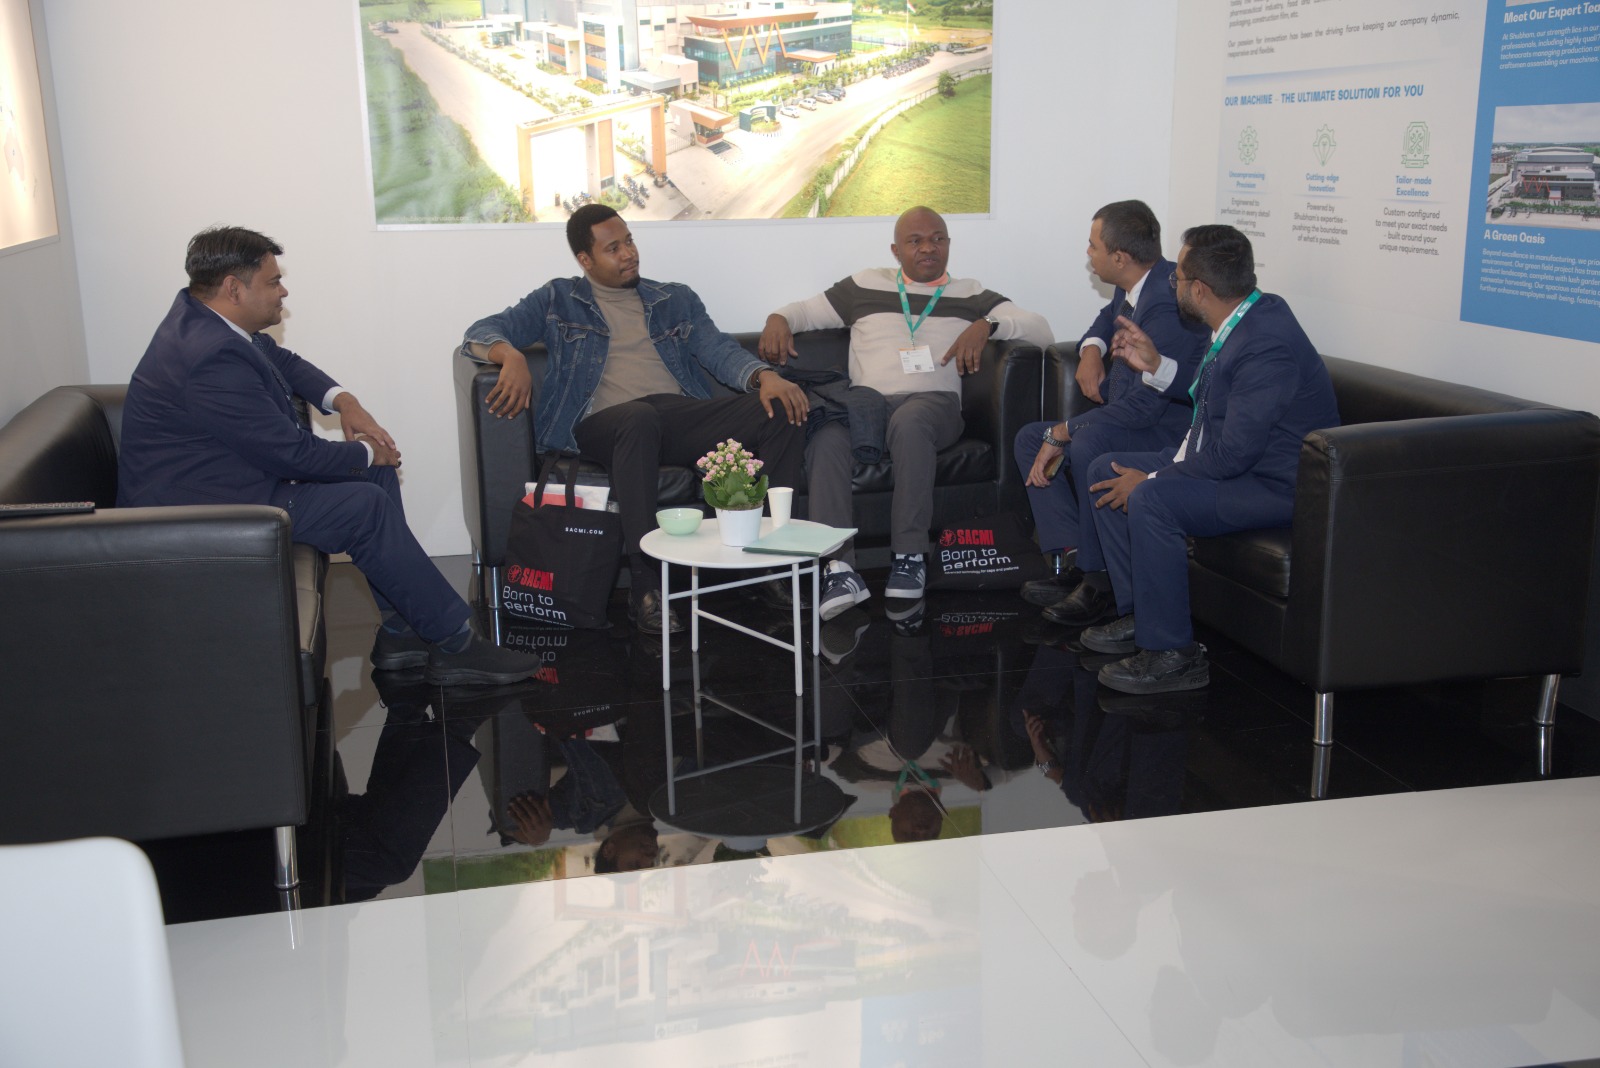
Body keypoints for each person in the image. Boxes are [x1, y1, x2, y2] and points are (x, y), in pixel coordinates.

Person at [119, 226, 542, 686]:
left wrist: (345, 401)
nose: (283, 291)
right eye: (273, 282)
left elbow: (281, 361)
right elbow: (293, 455)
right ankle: (455, 644)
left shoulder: (206, 320)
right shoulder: (210, 356)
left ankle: (400, 632)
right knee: (364, 504)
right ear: (233, 288)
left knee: (374, 480)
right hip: (202, 511)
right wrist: (368, 452)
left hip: (223, 481)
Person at [463, 204, 810, 635]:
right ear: (585, 260)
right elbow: (480, 331)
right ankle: (647, 587)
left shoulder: (675, 299)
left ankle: (770, 563)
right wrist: (510, 355)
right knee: (639, 417)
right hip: (603, 427)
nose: (628, 253)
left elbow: (718, 350)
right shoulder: (558, 299)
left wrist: (764, 377)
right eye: (613, 248)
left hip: (675, 419)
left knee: (780, 406)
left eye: (629, 241)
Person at [760, 205, 1053, 620]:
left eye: (937, 239)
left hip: (933, 405)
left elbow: (1041, 330)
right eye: (915, 241)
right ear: (896, 251)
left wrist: (988, 324)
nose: (928, 248)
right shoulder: (865, 285)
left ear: (948, 244)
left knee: (910, 421)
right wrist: (778, 318)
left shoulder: (970, 293)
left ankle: (909, 557)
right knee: (826, 438)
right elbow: (805, 312)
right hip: (866, 407)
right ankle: (839, 569)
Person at [1081, 224, 1340, 693]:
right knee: (1106, 469)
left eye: (1177, 277)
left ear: (1199, 289)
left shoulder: (1266, 344)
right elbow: (1212, 399)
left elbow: (1235, 454)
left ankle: (1174, 656)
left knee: (1151, 499)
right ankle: (1143, 616)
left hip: (1273, 485)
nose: (1172, 284)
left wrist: (1154, 477)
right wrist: (1156, 366)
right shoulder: (1243, 316)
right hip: (1225, 458)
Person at [1013, 201, 1209, 623]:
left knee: (1089, 440)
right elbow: (1107, 318)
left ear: (1119, 257)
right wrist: (1091, 350)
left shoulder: (1169, 306)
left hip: (1166, 427)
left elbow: (1144, 408)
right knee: (1030, 438)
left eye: (1093, 246)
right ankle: (1072, 559)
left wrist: (1065, 430)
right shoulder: (1135, 283)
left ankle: (1099, 580)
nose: (1088, 253)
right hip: (1132, 414)